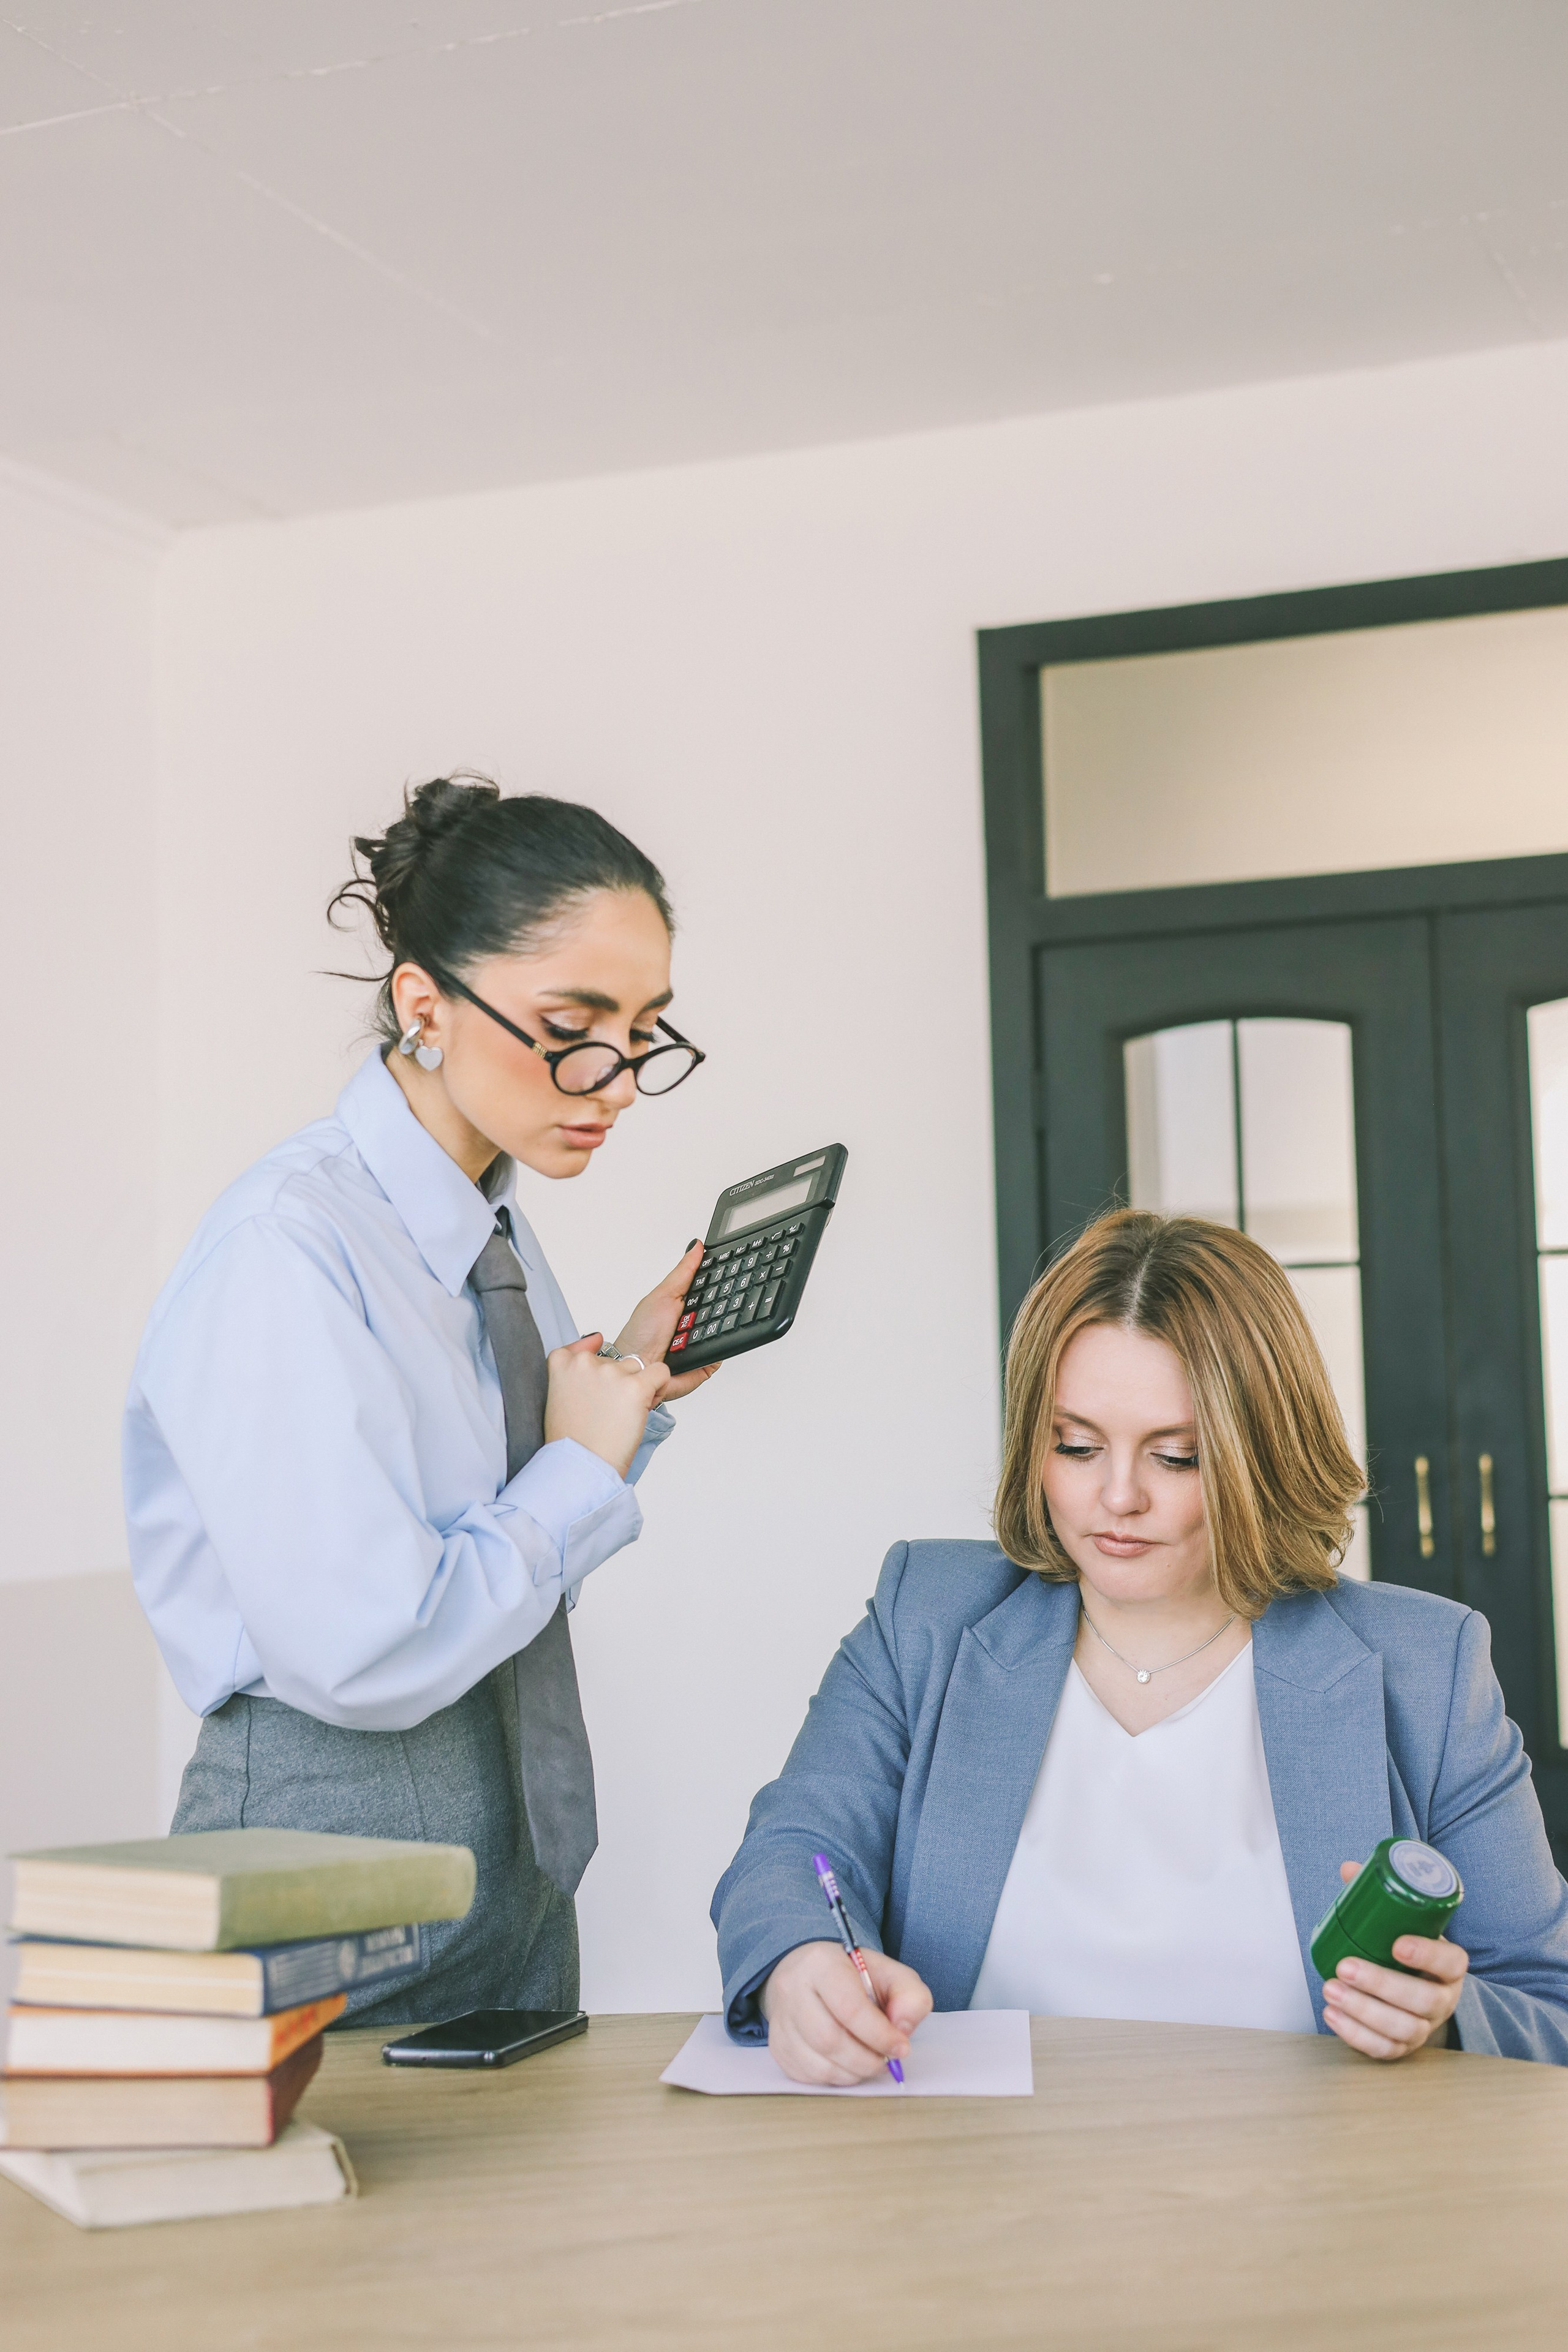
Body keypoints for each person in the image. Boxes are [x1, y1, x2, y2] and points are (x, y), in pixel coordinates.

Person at [713, 1210, 1568, 2081]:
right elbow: (794, 1850)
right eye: (1076, 1445)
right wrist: (800, 1961)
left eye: (1178, 1459)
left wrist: (1449, 2015)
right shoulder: (925, 1616)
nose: (1116, 1497)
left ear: (1262, 1458)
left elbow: (1549, 2007)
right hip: (972, 2188)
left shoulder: (1426, 1664)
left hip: (1314, 2202)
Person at [126, 775, 718, 2022]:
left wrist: (627, 1403)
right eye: (574, 1024)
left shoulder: (485, 1224)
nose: (614, 1080)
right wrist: (579, 1468)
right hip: (325, 1867)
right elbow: (369, 1647)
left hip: (509, 1860)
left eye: (646, 1029)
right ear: (423, 1005)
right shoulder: (286, 1254)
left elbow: (495, 1537)